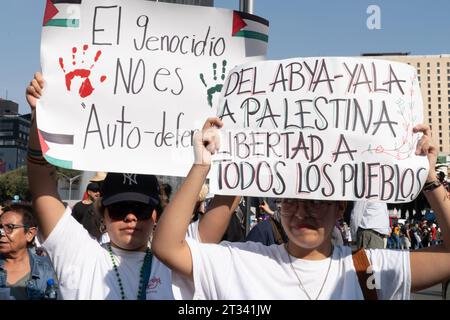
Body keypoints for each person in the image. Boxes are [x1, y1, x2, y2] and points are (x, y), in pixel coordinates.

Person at [152, 117, 450, 300]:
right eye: (292, 199)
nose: (303, 211)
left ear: (339, 209)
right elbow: (167, 247)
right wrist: (201, 164)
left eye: (318, 201)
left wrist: (430, 180)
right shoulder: (248, 262)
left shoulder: (368, 269)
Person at [25, 72, 240, 300]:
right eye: (119, 209)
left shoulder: (178, 255)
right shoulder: (80, 256)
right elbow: (41, 183)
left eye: (141, 209)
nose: (130, 217)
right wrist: (41, 116)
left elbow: (228, 199)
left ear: (156, 214)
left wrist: (240, 143)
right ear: (103, 214)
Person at [0, 203, 57, 300]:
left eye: (9, 227)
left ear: (30, 233)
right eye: (0, 227)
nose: (1, 233)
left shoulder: (48, 270)